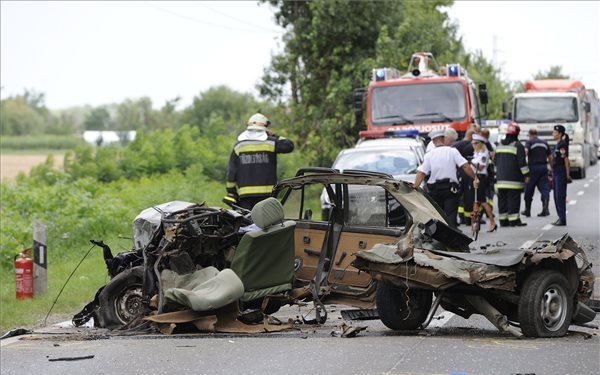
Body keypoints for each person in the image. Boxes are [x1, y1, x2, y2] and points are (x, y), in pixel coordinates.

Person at [225, 113, 294, 210]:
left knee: (247, 223)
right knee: (266, 224)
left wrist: (231, 192)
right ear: (265, 128)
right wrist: (274, 135)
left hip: (245, 197)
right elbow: (289, 145)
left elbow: (232, 172)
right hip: (267, 195)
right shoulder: (271, 143)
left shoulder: (239, 146)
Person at [413, 129, 479, 228]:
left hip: (435, 191)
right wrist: (475, 178)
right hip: (450, 190)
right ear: (443, 139)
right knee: (450, 215)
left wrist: (414, 187)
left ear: (433, 141)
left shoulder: (429, 155)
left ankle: (439, 238)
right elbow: (465, 166)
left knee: (437, 216)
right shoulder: (452, 151)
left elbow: (421, 173)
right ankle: (451, 239)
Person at [494, 122, 529, 227]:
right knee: (513, 200)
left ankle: (503, 221)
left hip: (500, 180)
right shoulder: (518, 146)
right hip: (514, 181)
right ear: (517, 134)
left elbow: (495, 163)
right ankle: (514, 220)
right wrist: (527, 175)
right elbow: (522, 164)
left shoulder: (499, 145)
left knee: (502, 201)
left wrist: (497, 175)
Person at [464, 134, 497, 232]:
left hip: (481, 178)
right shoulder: (476, 154)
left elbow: (481, 167)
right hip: (474, 177)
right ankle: (475, 223)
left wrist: (471, 163)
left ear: (480, 144)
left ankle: (492, 221)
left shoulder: (484, 154)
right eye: (473, 143)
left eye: (476, 143)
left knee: (482, 201)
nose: (473, 145)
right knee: (475, 201)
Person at [522, 128, 551, 217]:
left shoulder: (529, 142)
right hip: (543, 167)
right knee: (545, 189)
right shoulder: (544, 143)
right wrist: (551, 168)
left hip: (533, 168)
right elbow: (550, 156)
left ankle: (527, 210)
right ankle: (545, 209)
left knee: (529, 189)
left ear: (530, 134)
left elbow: (526, 152)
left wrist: (522, 161)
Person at [550, 124, 571, 226]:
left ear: (560, 134)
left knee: (560, 196)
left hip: (561, 171)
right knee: (555, 196)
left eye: (555, 132)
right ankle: (560, 217)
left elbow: (566, 160)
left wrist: (567, 175)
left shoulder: (562, 145)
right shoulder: (557, 145)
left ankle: (562, 219)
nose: (553, 134)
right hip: (555, 172)